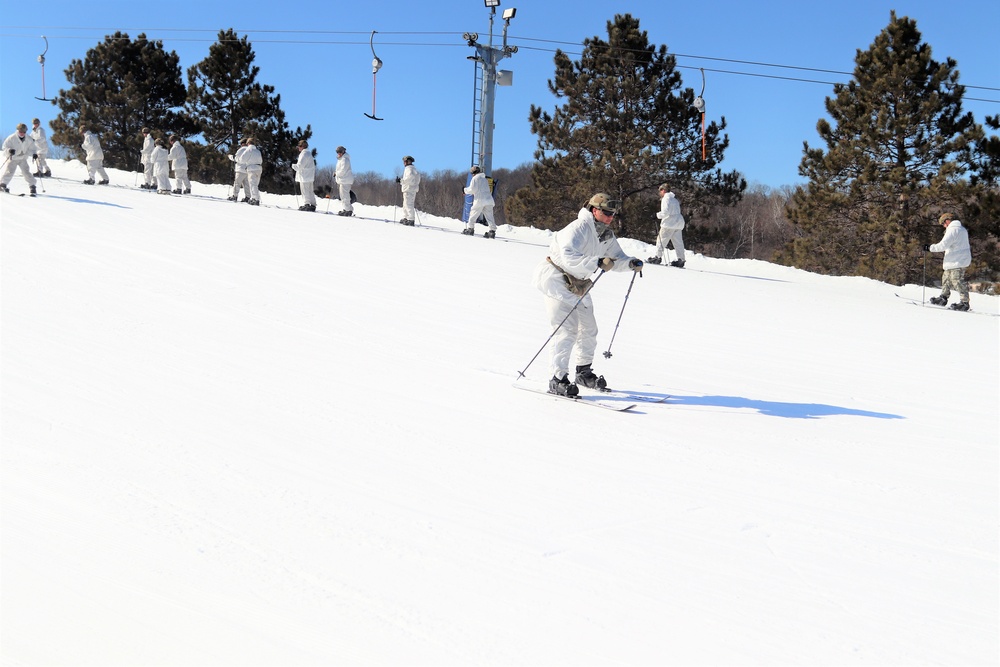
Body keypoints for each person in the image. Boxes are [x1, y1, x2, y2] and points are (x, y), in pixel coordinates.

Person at [531, 193, 644, 396]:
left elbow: (616, 257)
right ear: (594, 210)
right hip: (557, 279)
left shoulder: (605, 234)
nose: (610, 217)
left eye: (612, 214)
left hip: (579, 284)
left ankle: (583, 372)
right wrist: (597, 262)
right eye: (606, 212)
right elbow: (567, 256)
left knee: (589, 328)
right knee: (566, 330)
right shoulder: (578, 228)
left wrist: (630, 263)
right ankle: (557, 379)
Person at [926, 212, 972, 311]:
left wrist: (930, 248)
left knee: (957, 280)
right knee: (946, 278)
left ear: (947, 221)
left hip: (958, 260)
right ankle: (943, 297)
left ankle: (964, 303)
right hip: (955, 259)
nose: (943, 226)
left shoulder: (953, 230)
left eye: (943, 224)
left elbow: (943, 245)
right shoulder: (962, 229)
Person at [646, 183, 686, 268]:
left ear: (663, 190)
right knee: (678, 243)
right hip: (678, 223)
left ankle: (657, 257)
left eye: (660, 191)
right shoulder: (675, 200)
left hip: (669, 223)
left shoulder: (666, 199)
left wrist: (656, 215)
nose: (659, 193)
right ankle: (681, 259)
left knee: (661, 240)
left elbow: (665, 212)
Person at [0, 123, 38, 196]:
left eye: (24, 132)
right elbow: (4, 147)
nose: (22, 133)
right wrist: (9, 150)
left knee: (26, 172)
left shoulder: (29, 139)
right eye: (21, 131)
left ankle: (32, 186)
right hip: (13, 158)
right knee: (9, 171)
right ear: (17, 130)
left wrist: (34, 154)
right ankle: (3, 184)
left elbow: (32, 149)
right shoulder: (11, 138)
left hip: (23, 158)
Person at [463, 165, 497, 238]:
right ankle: (492, 231)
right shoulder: (484, 179)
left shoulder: (475, 178)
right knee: (489, 216)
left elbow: (472, 190)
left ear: (473, 173)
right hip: (488, 199)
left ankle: (470, 229)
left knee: (473, 214)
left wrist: (464, 190)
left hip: (479, 200)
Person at [293, 139, 316, 212]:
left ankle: (306, 204)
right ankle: (313, 204)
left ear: (302, 146)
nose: (298, 148)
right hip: (309, 176)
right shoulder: (309, 154)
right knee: (310, 191)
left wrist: (293, 166)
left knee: (305, 190)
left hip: (304, 176)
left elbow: (300, 166)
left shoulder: (303, 154)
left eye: (299, 146)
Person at [397, 155, 419, 225]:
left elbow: (409, 179)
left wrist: (401, 181)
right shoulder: (413, 169)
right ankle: (406, 217)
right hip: (410, 189)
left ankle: (411, 219)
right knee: (405, 204)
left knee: (409, 204)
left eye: (405, 161)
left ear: (407, 162)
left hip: (409, 189)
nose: (404, 163)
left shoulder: (409, 169)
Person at [334, 145, 354, 216]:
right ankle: (347, 209)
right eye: (337, 152)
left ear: (343, 152)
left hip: (345, 180)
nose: (338, 153)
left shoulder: (344, 160)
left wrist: (337, 174)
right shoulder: (342, 159)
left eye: (340, 152)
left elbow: (343, 170)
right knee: (343, 195)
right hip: (344, 180)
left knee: (344, 195)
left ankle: (347, 209)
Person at [243, 137, 263, 206]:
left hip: (252, 168)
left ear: (248, 143)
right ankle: (255, 197)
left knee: (252, 184)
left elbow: (243, 158)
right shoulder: (258, 151)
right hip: (259, 168)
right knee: (256, 184)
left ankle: (255, 199)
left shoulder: (249, 149)